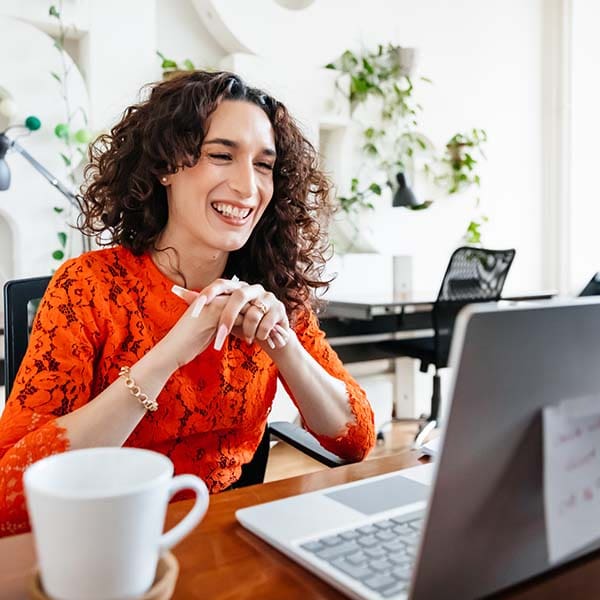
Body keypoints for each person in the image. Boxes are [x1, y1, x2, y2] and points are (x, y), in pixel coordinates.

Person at [0, 71, 375, 537]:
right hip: (107, 547)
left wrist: (283, 344)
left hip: (224, 544)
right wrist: (170, 354)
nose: (247, 187)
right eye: (221, 155)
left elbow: (356, 441)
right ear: (165, 166)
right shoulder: (88, 288)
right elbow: (8, 499)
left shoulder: (271, 289)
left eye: (263, 165)